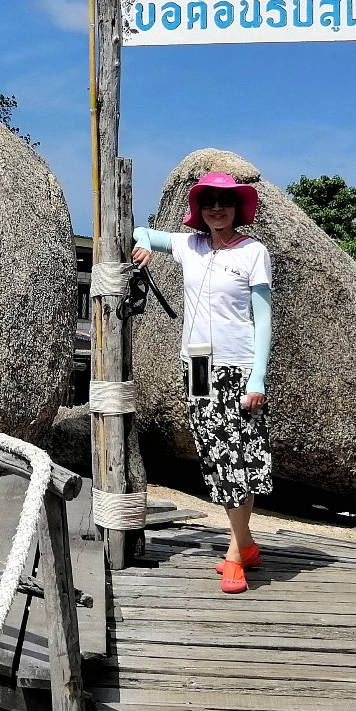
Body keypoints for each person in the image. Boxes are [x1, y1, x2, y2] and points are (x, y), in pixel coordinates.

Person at [132, 171, 274, 593]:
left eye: (225, 202)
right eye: (209, 201)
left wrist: (258, 376)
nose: (217, 208)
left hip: (238, 366)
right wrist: (143, 244)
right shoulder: (189, 245)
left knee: (241, 460)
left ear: (237, 209)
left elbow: (263, 318)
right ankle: (246, 544)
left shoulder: (253, 252)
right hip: (195, 365)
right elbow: (140, 231)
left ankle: (235, 553)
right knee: (215, 455)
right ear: (199, 208)